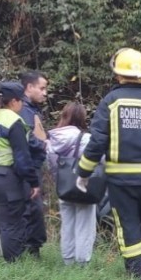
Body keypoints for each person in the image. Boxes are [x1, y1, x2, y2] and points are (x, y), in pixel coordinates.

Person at [75, 47, 141, 280]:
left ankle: (140, 279)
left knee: (128, 226)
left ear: (118, 74)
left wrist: (83, 172)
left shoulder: (111, 101)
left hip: (120, 181)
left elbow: (97, 142)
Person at [0, 81, 41, 262]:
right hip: (4, 176)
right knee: (11, 223)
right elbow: (22, 156)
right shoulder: (13, 121)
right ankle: (13, 264)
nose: (22, 105)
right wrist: (33, 182)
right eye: (21, 101)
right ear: (14, 101)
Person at [47, 102, 97, 266]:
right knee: (85, 226)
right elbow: (97, 161)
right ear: (82, 118)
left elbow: (52, 165)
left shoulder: (53, 139)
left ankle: (68, 261)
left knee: (67, 225)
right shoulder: (86, 139)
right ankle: (82, 263)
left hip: (63, 187)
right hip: (84, 187)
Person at [18, 70, 49, 257]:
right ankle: (31, 251)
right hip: (28, 167)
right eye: (42, 88)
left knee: (32, 207)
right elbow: (27, 138)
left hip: (31, 166)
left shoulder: (31, 109)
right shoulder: (24, 110)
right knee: (32, 208)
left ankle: (30, 248)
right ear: (29, 87)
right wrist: (44, 145)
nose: (45, 93)